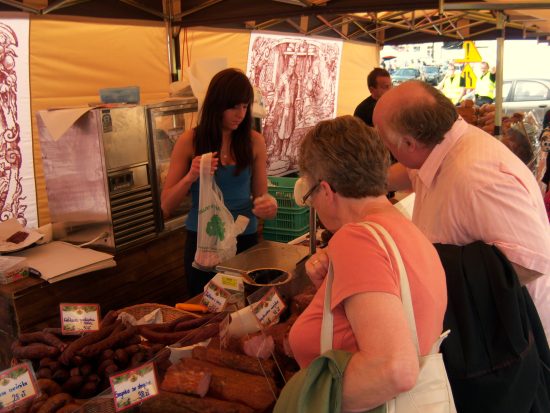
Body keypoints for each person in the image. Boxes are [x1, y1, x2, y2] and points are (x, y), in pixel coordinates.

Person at [287, 115, 448, 411]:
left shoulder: (357, 239)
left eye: (312, 196)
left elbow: (395, 369)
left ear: (326, 191)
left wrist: (305, 399)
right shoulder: (405, 228)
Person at [372, 80, 550, 338]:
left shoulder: (476, 177)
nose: (391, 154)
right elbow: (408, 171)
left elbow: (532, 263)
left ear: (409, 144)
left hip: (509, 339)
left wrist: (430, 270)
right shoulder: (438, 145)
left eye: (388, 145)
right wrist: (356, 181)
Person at [161, 68, 277, 297]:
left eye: (245, 106)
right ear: (217, 104)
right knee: (206, 307)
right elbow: (166, 205)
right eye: (234, 106)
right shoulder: (190, 141)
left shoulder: (254, 142)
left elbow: (262, 198)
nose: (240, 114)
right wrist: (191, 176)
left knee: (246, 304)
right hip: (204, 241)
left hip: (244, 239)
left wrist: (268, 205)